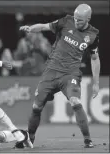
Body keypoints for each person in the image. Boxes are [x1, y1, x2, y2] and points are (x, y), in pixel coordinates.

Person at [16, 3, 100, 149]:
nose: (76, 21)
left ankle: (88, 140)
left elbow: (95, 59)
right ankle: (30, 139)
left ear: (88, 19)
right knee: (36, 106)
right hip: (51, 70)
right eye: (75, 18)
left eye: (80, 20)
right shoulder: (66, 21)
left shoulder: (93, 35)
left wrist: (96, 83)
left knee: (75, 101)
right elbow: (44, 26)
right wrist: (31, 29)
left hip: (70, 73)